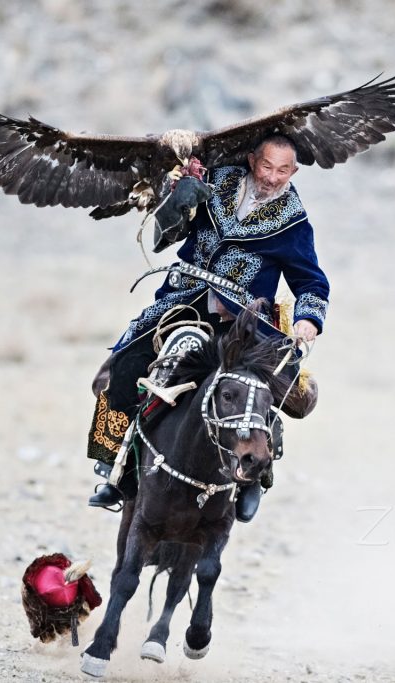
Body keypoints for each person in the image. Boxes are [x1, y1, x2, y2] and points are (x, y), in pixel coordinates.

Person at [87, 135, 329, 521]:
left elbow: (311, 282)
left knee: (271, 392)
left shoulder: (294, 222)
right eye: (267, 166)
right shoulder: (215, 181)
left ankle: (254, 479)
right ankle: (117, 468)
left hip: (244, 322)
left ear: (294, 172)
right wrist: (177, 197)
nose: (272, 177)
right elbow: (170, 232)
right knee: (126, 363)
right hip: (185, 300)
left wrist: (308, 318)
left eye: (283, 170)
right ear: (252, 160)